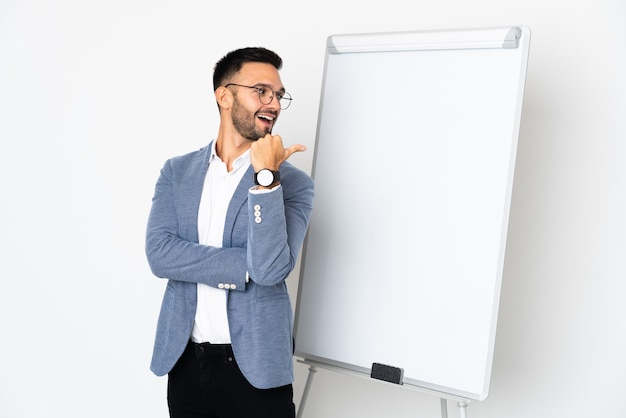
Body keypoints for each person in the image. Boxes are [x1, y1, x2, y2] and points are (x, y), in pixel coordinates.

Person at [145, 47, 314, 418]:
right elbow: (160, 254)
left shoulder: (294, 184)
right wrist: (243, 267)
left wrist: (266, 179)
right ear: (225, 95)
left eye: (278, 94)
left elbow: (269, 270)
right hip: (186, 361)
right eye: (261, 91)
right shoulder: (178, 172)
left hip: (255, 368)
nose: (274, 103)